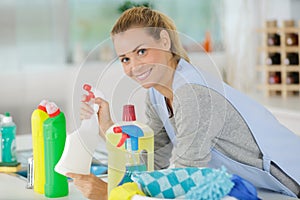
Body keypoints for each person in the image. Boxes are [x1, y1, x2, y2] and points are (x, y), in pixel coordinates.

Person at [67, 6, 300, 199]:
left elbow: (183, 180)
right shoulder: (156, 95)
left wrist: (109, 195)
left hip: (290, 183)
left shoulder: (192, 93)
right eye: (125, 59)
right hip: (257, 188)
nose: (134, 66)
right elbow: (152, 163)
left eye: (142, 51)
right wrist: (108, 128)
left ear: (165, 41)